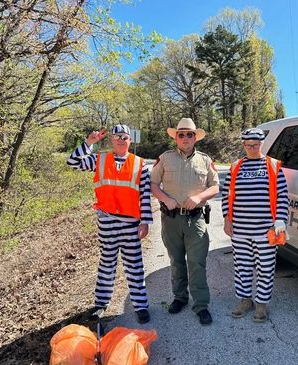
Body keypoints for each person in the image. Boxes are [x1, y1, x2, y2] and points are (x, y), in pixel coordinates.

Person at [67, 124, 153, 324]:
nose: (121, 140)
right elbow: (72, 162)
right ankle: (101, 303)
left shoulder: (140, 164)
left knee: (134, 265)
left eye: (125, 136)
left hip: (131, 222)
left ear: (130, 140)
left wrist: (146, 222)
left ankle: (140, 305)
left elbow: (145, 196)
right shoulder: (99, 159)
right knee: (107, 263)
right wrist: (89, 142)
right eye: (117, 137)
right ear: (112, 140)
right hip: (106, 221)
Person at [150, 118, 219, 325]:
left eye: (190, 134)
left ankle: (201, 305)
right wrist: (166, 199)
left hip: (195, 220)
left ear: (195, 137)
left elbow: (215, 187)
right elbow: (153, 184)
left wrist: (199, 198)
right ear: (176, 137)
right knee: (176, 261)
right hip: (171, 220)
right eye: (181, 134)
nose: (186, 138)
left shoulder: (205, 160)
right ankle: (180, 298)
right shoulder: (165, 158)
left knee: (197, 263)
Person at [221, 128, 289, 323]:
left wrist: (280, 220)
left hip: (266, 228)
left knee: (266, 267)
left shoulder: (273, 166)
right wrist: (227, 219)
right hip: (240, 229)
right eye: (248, 145)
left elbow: (283, 196)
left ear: (261, 144)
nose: (252, 148)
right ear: (243, 145)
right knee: (242, 266)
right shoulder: (235, 167)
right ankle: (245, 300)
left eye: (256, 145)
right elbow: (226, 196)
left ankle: (261, 304)